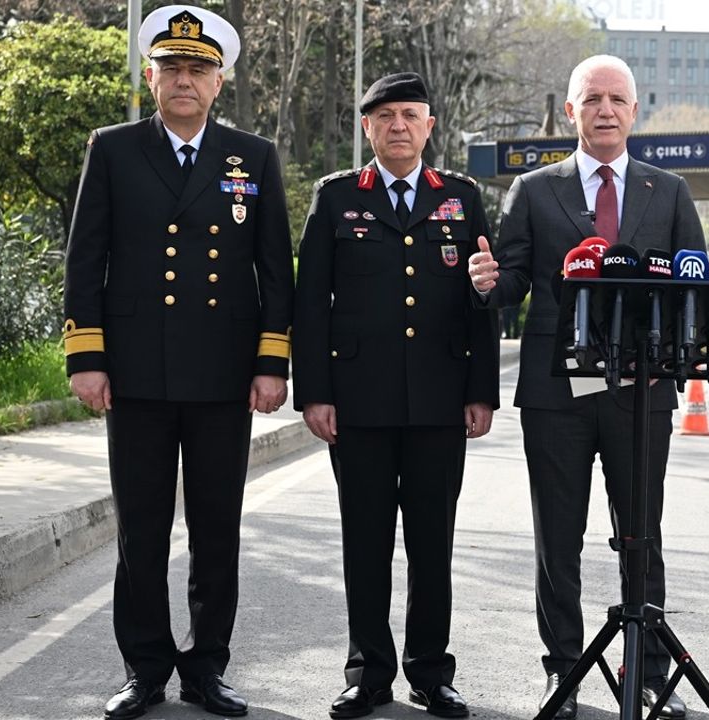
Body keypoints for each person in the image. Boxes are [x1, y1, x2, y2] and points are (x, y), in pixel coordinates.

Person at [62, 5, 292, 718]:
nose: (184, 81)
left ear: (219, 81)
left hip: (224, 374)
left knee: (218, 527)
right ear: (151, 76)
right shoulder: (114, 147)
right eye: (172, 69)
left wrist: (272, 362)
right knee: (141, 530)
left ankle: (207, 668)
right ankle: (145, 668)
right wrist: (86, 357)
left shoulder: (251, 157)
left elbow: (274, 270)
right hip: (134, 373)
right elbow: (85, 258)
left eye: (198, 69)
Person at [466, 54, 705, 720]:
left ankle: (650, 673)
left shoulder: (671, 191)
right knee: (558, 541)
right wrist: (487, 283)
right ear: (569, 112)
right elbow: (512, 282)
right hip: (554, 393)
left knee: (642, 537)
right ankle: (562, 670)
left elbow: (691, 296)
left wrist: (678, 365)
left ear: (635, 112)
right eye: (591, 98)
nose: (604, 109)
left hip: (641, 393)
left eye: (616, 99)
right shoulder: (535, 191)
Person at [292, 72, 500, 720]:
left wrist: (481, 391)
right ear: (368, 128)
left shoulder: (461, 200)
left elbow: (481, 302)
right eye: (385, 117)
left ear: (430, 125)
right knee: (365, 542)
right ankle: (368, 672)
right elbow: (311, 306)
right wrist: (314, 394)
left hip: (440, 402)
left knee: (432, 544)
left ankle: (431, 673)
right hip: (358, 404)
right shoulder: (335, 199)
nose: (399, 126)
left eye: (411, 115)